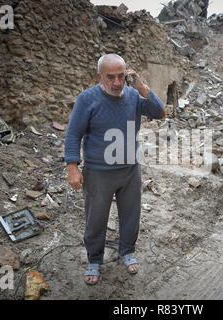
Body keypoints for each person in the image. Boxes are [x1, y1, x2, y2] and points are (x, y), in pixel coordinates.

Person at [64, 53, 165, 285]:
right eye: (111, 77)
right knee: (96, 218)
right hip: (98, 171)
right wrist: (72, 167)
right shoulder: (86, 99)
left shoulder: (132, 95)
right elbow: (73, 134)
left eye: (121, 76)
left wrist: (140, 86)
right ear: (100, 76)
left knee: (131, 214)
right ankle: (95, 259)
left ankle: (127, 251)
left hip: (130, 169)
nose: (117, 83)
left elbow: (159, 112)